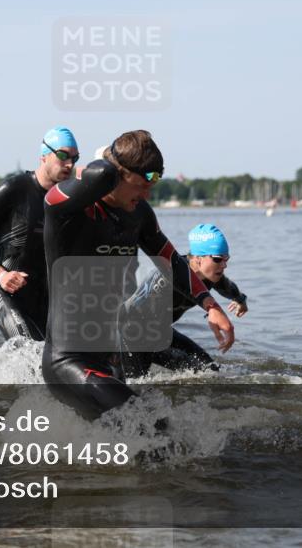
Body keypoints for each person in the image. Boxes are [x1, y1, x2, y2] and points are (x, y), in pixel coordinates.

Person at [42, 130, 235, 420]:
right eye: (140, 185)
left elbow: (172, 260)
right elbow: (51, 198)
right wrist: (106, 168)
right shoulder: (72, 212)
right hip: (68, 362)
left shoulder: (138, 213)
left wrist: (210, 305)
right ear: (114, 176)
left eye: (151, 186)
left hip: (107, 362)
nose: (146, 195)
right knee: (154, 427)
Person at [0, 127, 79, 341]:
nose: (69, 164)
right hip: (9, 295)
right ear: (44, 156)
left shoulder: (69, 200)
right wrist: (0, 274)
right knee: (29, 353)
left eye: (74, 158)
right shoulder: (14, 189)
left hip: (47, 300)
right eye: (63, 156)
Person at [122, 223, 248, 377]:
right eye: (217, 259)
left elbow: (228, 288)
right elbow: (132, 316)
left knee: (211, 370)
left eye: (226, 258)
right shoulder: (167, 275)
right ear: (197, 258)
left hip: (161, 332)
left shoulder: (212, 277)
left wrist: (241, 300)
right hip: (132, 335)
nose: (224, 265)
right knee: (136, 388)